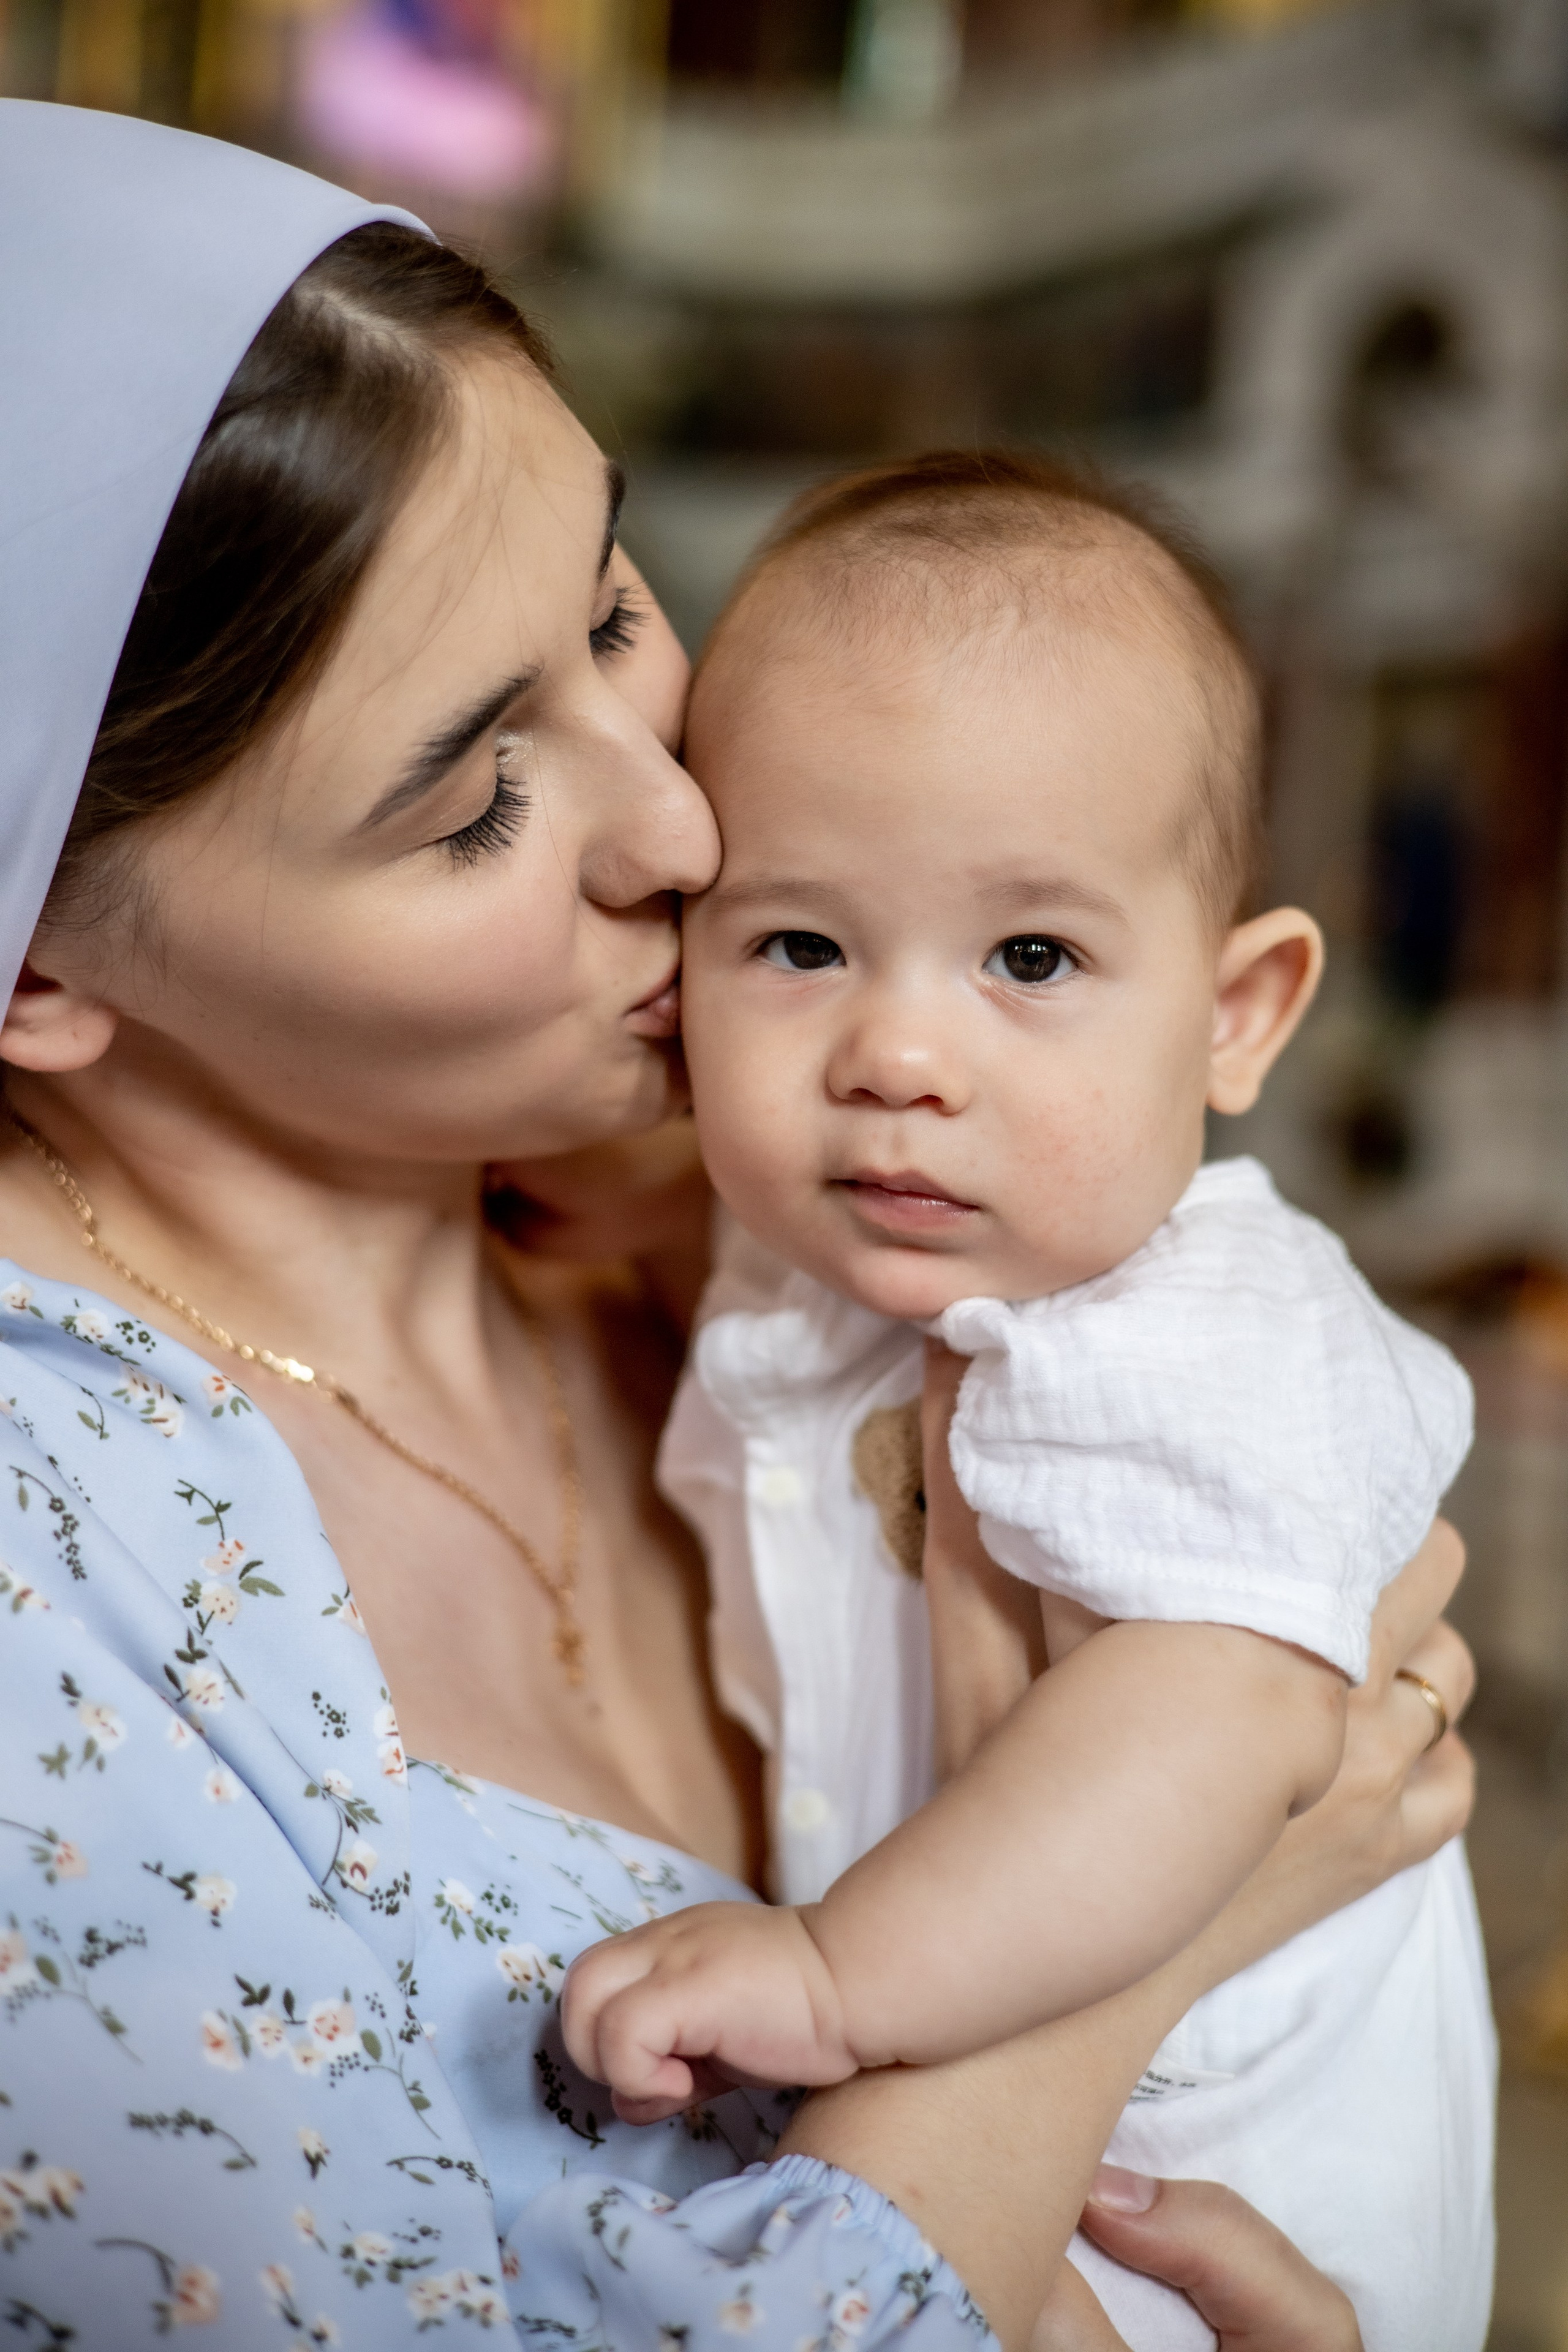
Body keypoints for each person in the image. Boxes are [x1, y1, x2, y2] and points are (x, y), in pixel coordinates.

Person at [0, 102, 1474, 2349]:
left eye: (614, 604)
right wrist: (1156, 1950)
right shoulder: (60, 1578)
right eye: (481, 798)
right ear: (40, 973)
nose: (690, 823)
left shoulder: (792, 1234)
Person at [562, 456, 1496, 2350]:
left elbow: (1219, 1722)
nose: (899, 1054)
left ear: (1238, 1014)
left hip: (1233, 2187)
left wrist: (836, 1981)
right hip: (1005, 2159)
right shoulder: (845, 1271)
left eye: (1034, 959)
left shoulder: (1198, 1331)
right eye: (800, 944)